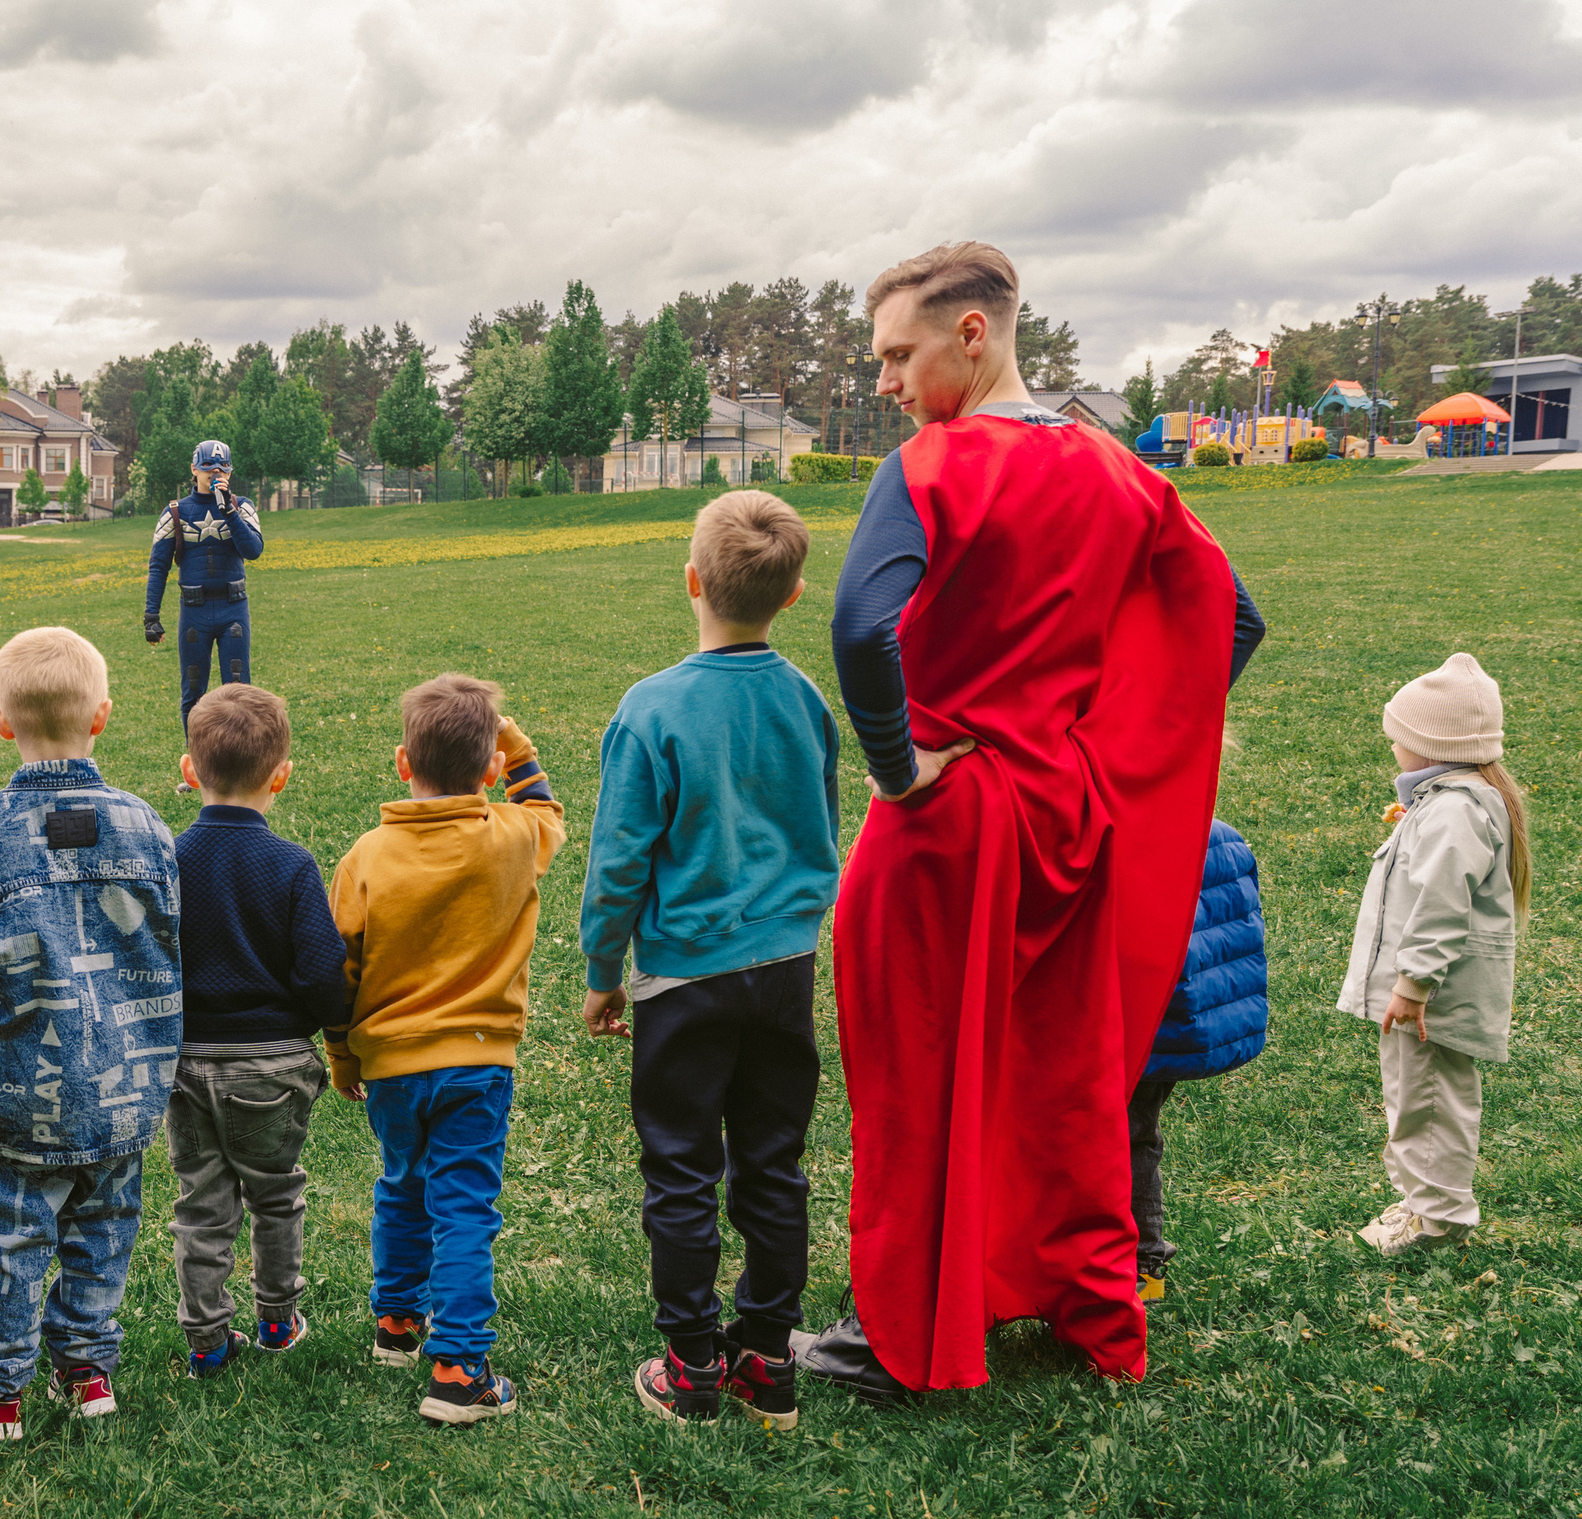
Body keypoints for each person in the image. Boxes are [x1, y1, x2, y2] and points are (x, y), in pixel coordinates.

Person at [801, 241, 1265, 1402]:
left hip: (949, 820)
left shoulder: (933, 464)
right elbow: (1233, 621)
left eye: (898, 355)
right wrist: (1096, 743)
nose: (885, 384)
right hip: (1066, 812)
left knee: (914, 1073)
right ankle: (1078, 1305)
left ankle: (899, 1333)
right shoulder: (1121, 471)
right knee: (1062, 1071)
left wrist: (900, 771)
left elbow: (862, 634)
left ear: (974, 333)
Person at [575, 491, 839, 1429]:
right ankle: (767, 1358)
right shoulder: (805, 699)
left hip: (684, 976)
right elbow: (822, 819)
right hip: (787, 968)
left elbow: (618, 860)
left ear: (691, 580)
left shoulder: (652, 709)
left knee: (682, 1167)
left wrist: (604, 969)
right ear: (795, 594)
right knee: (775, 1164)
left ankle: (691, 1363)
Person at [0, 626, 181, 1440]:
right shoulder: (148, 829)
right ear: (102, 715)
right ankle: (87, 1368)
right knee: (106, 1226)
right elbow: (172, 937)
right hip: (128, 1083)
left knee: (17, 1233)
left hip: (23, 1087)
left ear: (1, 721)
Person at [328, 676, 566, 1426]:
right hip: (478, 1060)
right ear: (492, 768)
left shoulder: (364, 856)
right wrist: (516, 743)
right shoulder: (513, 837)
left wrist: (343, 1057)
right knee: (463, 1203)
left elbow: (340, 972)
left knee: (402, 1182)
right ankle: (460, 1369)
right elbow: (549, 808)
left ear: (403, 762)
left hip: (390, 1066)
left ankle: (396, 1321)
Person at [166, 684, 352, 1378]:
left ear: (191, 772)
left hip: (185, 1061)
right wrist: (325, 1027)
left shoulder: (169, 860)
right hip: (274, 1063)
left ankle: (208, 1340)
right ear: (281, 776)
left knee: (202, 1202)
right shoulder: (292, 865)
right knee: (275, 1195)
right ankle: (277, 1317)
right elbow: (322, 975)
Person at [1340, 654, 1529, 1255]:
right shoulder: (1448, 800)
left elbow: (1443, 905)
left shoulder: (1455, 810)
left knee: (1427, 1103)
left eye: (1399, 738)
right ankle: (1424, 1204)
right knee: (1417, 1096)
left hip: (1432, 999)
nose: (1393, 746)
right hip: (1424, 995)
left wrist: (1415, 982)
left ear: (1430, 744)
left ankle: (1437, 1220)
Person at [1129, 819, 1269, 1301]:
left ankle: (1131, 1270)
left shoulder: (1128, 838)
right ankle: (1147, 1274)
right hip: (1180, 1028)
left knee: (1115, 1142)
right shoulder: (1218, 835)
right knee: (1138, 1136)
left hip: (1136, 1030)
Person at [144, 438, 265, 784]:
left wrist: (228, 508)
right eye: (208, 468)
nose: (215, 473)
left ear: (230, 471)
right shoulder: (176, 512)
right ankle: (198, 768)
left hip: (233, 609)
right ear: (194, 469)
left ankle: (243, 767)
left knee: (240, 692)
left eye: (222, 468)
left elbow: (253, 550)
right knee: (193, 693)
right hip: (194, 612)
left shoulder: (241, 506)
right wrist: (151, 615)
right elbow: (158, 566)